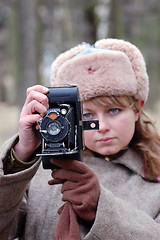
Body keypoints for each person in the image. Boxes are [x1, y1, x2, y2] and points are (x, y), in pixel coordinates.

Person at [0, 38, 160, 240]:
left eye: (114, 110)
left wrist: (100, 207)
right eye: (86, 115)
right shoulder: (40, 173)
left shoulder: (154, 177)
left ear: (138, 108)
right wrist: (20, 156)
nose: (101, 126)